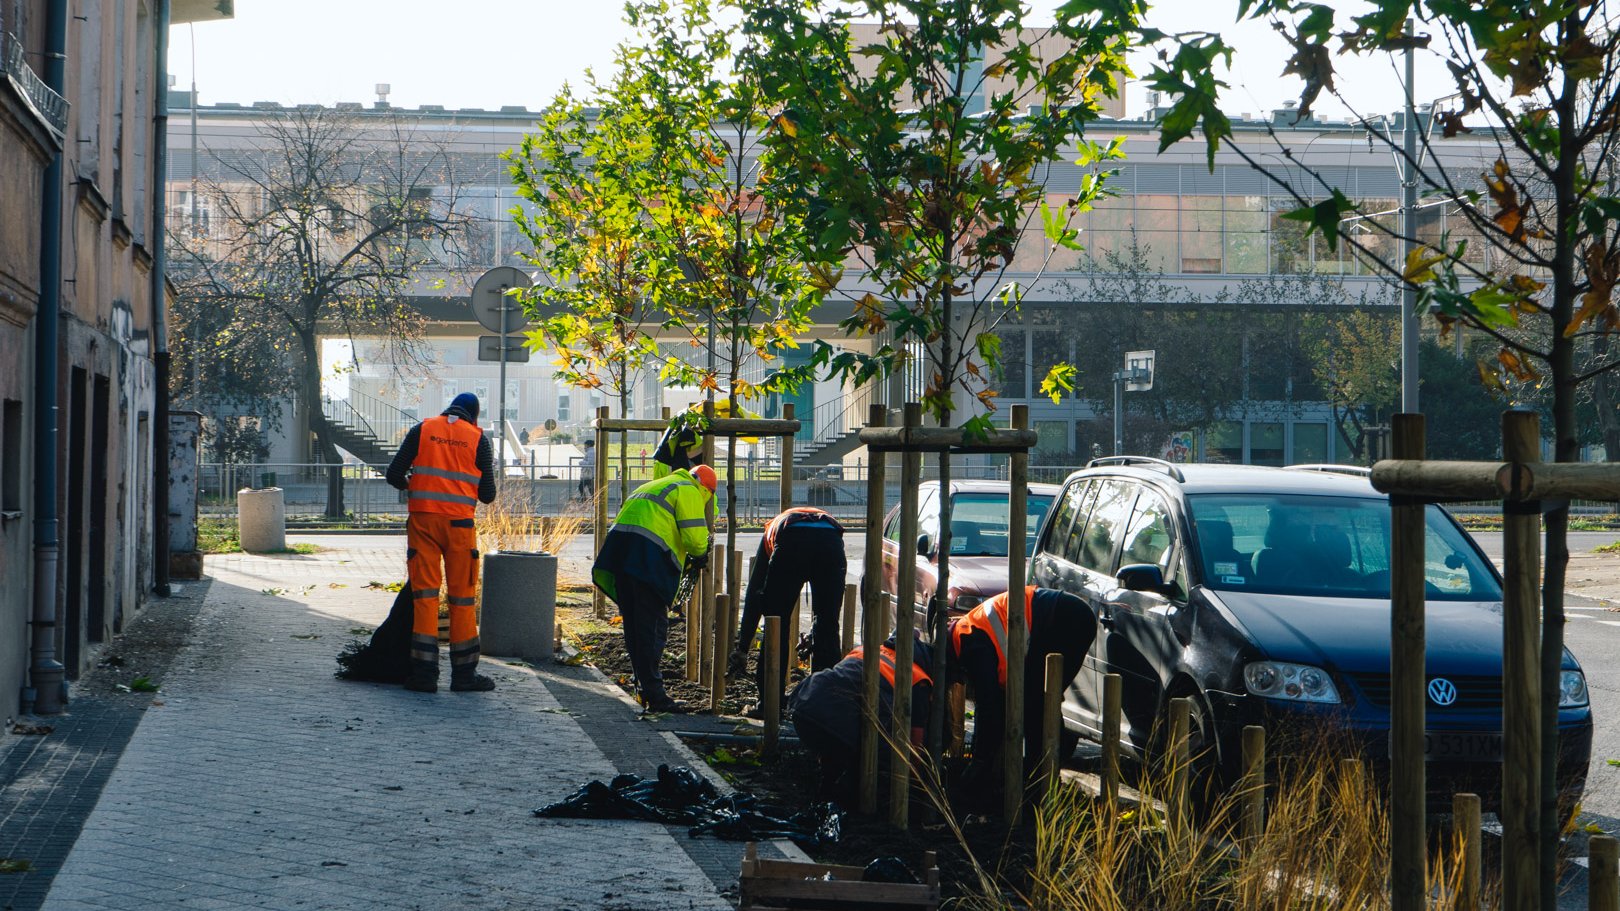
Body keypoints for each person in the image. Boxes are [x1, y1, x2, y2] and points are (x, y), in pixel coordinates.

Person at [385, 393, 498, 694]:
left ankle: (424, 675)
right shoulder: (478, 439)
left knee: (425, 597)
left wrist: (415, 485)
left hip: (422, 523)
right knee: (462, 600)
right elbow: (488, 494)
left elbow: (393, 474)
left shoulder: (422, 429)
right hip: (459, 527)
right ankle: (464, 677)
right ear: (473, 416)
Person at [946, 585, 1096, 794]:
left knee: (1035, 704)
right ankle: (1041, 774)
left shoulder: (970, 642)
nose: (962, 683)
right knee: (1037, 703)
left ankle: (1039, 782)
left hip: (1063, 619)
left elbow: (988, 705)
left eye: (957, 679)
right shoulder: (968, 629)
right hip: (1066, 614)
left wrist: (979, 761)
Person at [593, 463, 717, 713]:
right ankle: (656, 696)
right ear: (707, 490)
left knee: (636, 626)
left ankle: (645, 688)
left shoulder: (656, 485)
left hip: (620, 556)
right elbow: (694, 538)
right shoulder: (690, 490)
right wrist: (702, 553)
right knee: (652, 628)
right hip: (645, 560)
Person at [788, 634, 934, 798]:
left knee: (839, 742)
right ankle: (850, 797)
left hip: (804, 703)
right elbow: (914, 749)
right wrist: (914, 788)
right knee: (882, 751)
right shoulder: (919, 678)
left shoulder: (866, 650)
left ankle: (826, 788)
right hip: (835, 721)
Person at [731, 506, 847, 687]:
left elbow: (755, 593)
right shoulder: (822, 522)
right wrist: (815, 633)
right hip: (831, 545)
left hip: (791, 542)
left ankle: (769, 702)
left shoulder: (772, 531)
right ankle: (824, 699)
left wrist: (743, 647)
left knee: (776, 622)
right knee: (828, 625)